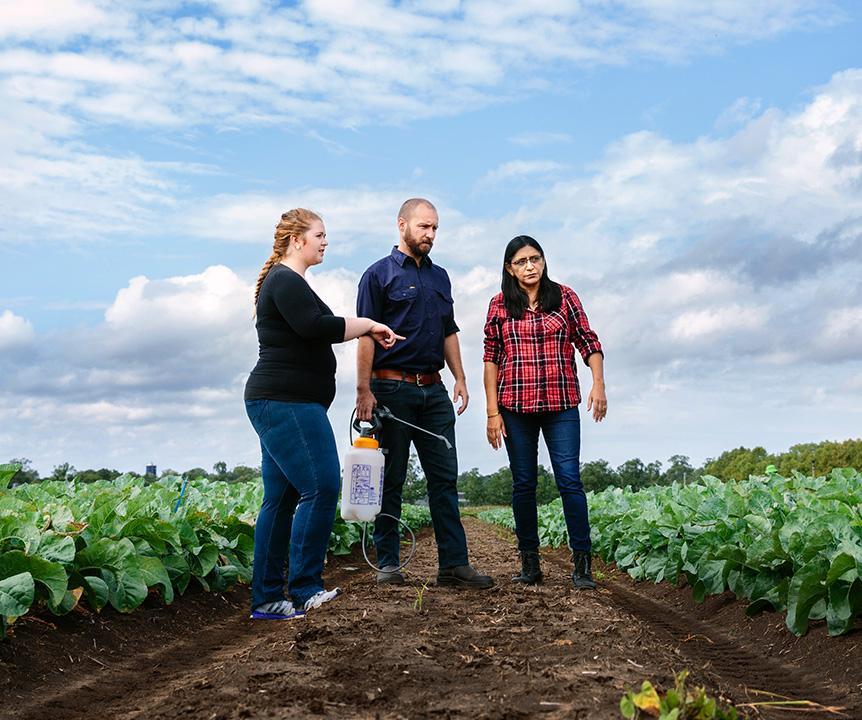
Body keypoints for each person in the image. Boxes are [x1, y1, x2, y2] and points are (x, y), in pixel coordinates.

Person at [244, 208, 403, 620]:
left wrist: (365, 327)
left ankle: (266, 599)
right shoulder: (284, 279)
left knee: (281, 499)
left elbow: (318, 324)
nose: (325, 241)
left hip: (284, 402)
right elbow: (316, 326)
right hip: (286, 402)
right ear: (297, 239)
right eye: (319, 234)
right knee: (322, 486)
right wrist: (368, 323)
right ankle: (304, 589)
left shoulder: (291, 281)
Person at [355, 198, 493, 589]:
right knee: (392, 480)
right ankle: (387, 564)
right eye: (423, 227)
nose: (430, 235)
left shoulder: (441, 277)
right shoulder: (377, 276)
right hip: (391, 389)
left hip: (434, 393)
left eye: (435, 228)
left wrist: (461, 378)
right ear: (402, 225)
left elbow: (449, 330)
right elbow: (366, 333)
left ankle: (453, 565)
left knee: (445, 480)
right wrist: (363, 389)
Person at [482, 235, 606, 589]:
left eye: (535, 259)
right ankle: (530, 564)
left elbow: (589, 342)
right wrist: (493, 412)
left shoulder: (564, 297)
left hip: (561, 403)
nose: (530, 266)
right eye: (521, 261)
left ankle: (582, 565)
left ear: (544, 261)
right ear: (510, 268)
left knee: (569, 480)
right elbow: (491, 359)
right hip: (515, 406)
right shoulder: (499, 305)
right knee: (524, 484)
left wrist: (598, 382)